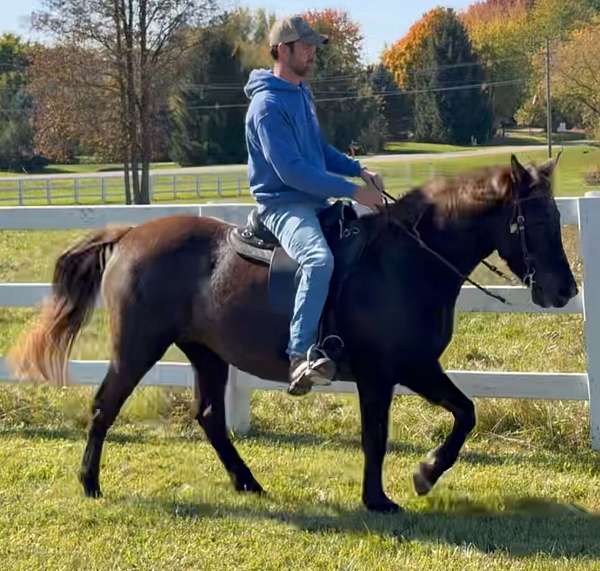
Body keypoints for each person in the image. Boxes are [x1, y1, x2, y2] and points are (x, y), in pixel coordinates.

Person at [244, 15, 385, 396]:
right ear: (282, 49)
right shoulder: (267, 106)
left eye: (312, 46)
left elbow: (318, 152)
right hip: (284, 206)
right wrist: (352, 191)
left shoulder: (301, 93)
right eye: (305, 46)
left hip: (317, 201)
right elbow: (291, 171)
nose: (312, 52)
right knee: (318, 261)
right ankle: (298, 355)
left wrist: (359, 169)